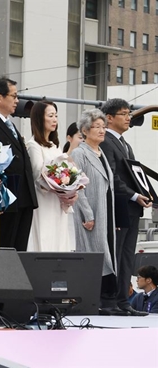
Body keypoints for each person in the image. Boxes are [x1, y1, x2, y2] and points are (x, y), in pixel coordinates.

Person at [99, 98, 151, 317]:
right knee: (117, 255)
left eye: (129, 113)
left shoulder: (125, 144)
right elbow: (112, 177)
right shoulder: (106, 142)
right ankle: (112, 300)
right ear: (109, 118)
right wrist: (134, 195)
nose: (129, 117)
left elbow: (133, 175)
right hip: (119, 208)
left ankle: (123, 301)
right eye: (124, 113)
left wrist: (145, 193)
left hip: (131, 208)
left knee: (127, 256)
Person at [70, 109, 118, 315]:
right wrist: (88, 214)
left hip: (105, 210)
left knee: (105, 254)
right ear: (85, 130)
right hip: (90, 213)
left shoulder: (101, 153)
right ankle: (96, 300)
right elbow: (77, 185)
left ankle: (107, 301)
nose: (102, 130)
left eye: (103, 126)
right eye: (97, 127)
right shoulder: (79, 153)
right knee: (94, 256)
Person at [0, 77, 38, 251]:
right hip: (7, 194)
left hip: (23, 194)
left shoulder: (9, 123)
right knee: (6, 244)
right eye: (13, 96)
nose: (17, 101)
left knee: (20, 247)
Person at [26, 101, 76, 252]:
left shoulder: (55, 146)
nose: (55, 120)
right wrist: (59, 187)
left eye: (56, 116)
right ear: (39, 118)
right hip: (44, 200)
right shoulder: (33, 145)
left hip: (57, 202)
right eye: (50, 116)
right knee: (45, 238)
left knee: (59, 239)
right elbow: (37, 175)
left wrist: (71, 189)